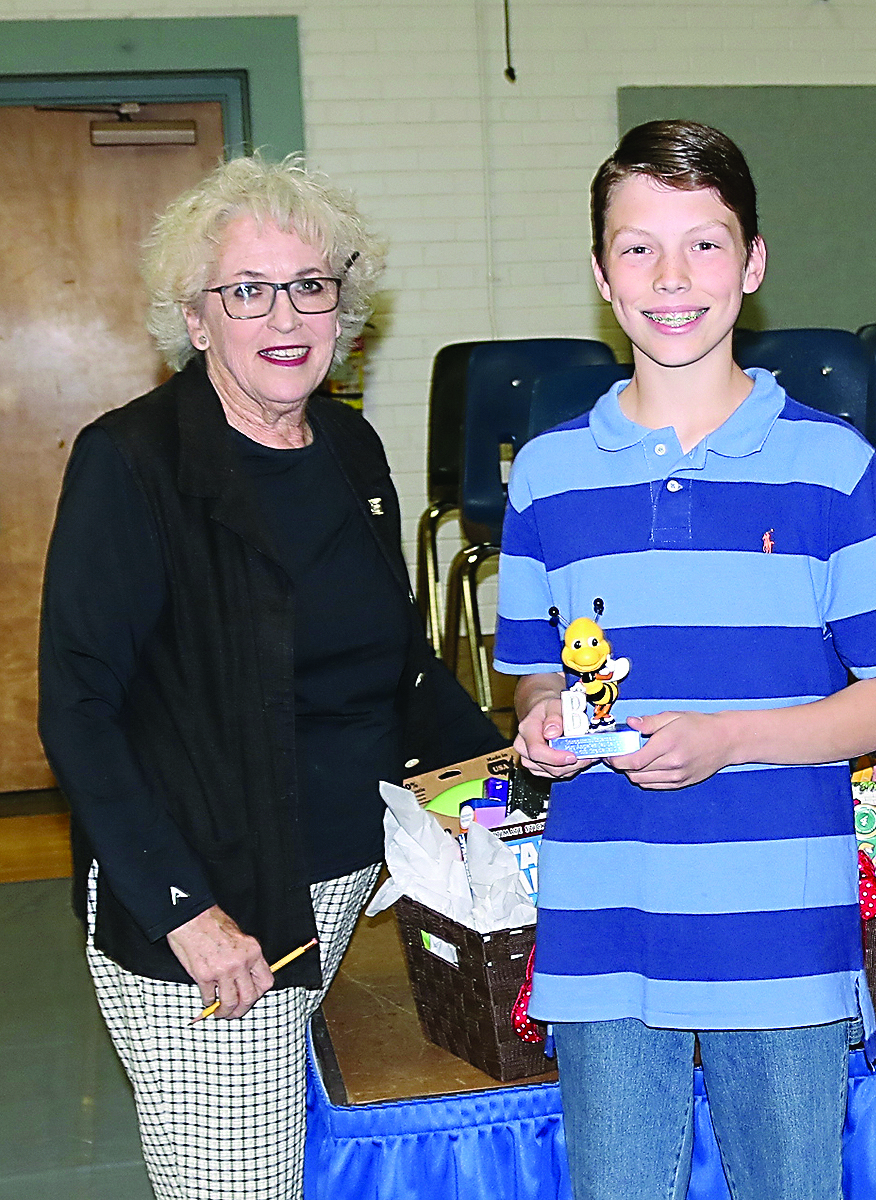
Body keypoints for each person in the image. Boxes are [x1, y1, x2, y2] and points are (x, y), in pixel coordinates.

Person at [37, 154, 505, 1200]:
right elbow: (77, 709)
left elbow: (403, 669)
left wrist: (512, 783)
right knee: (236, 1184)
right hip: (211, 900)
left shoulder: (347, 443)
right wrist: (185, 911)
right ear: (195, 321)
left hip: (339, 877)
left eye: (310, 285)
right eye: (246, 291)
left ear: (345, 306)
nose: (283, 315)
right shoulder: (133, 463)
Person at [496, 120, 876, 1200]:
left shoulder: (833, 467)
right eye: (638, 248)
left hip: (780, 928)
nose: (671, 278)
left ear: (752, 264)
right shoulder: (548, 477)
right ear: (601, 275)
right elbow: (533, 670)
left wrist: (727, 742)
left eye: (703, 245)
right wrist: (540, 719)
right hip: (604, 926)